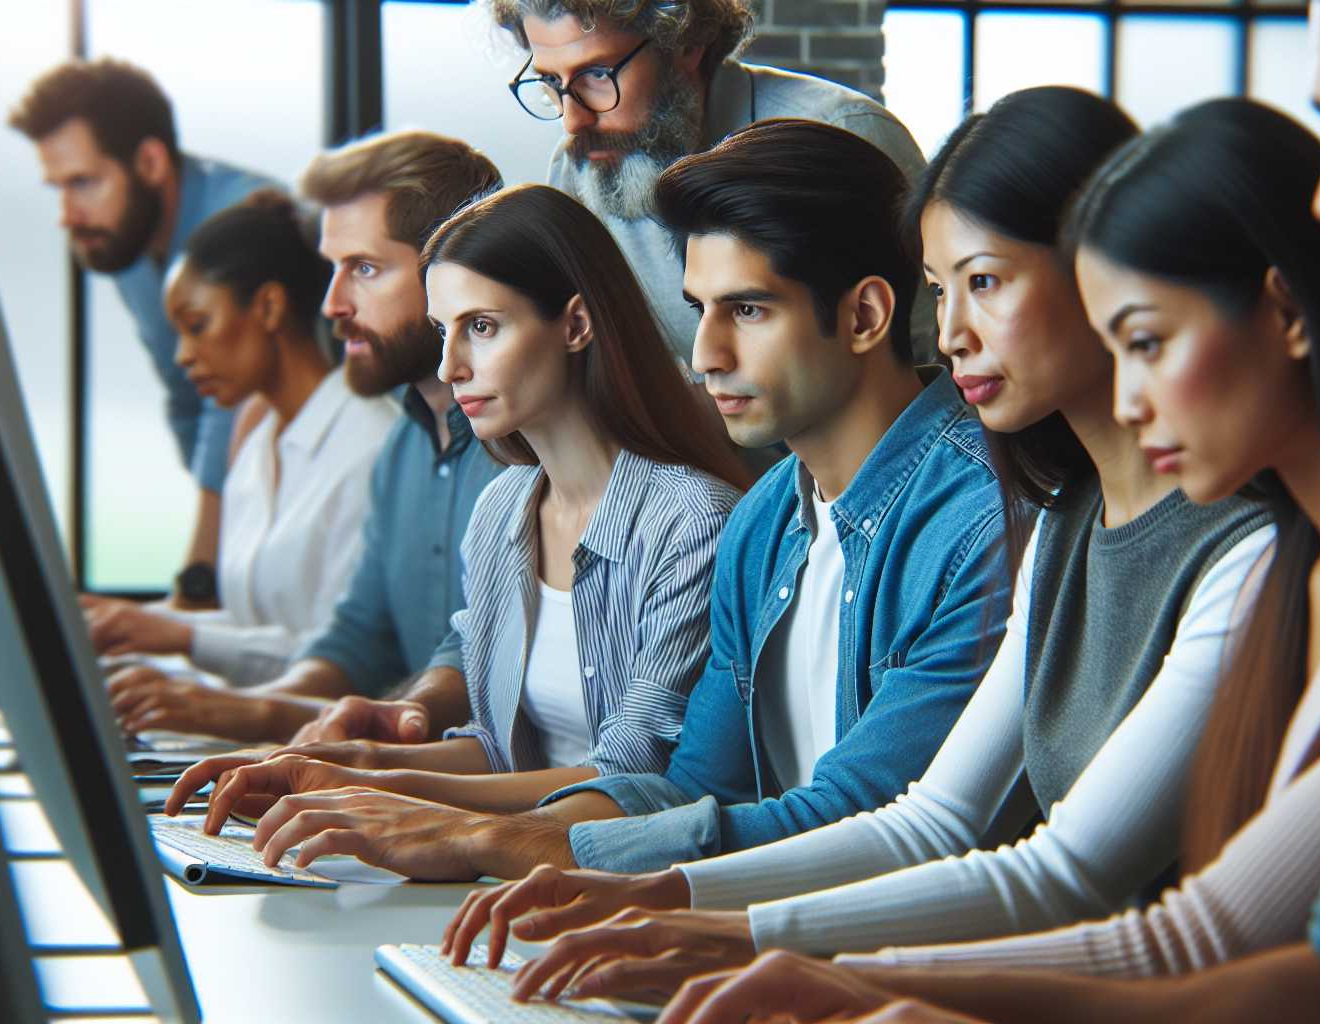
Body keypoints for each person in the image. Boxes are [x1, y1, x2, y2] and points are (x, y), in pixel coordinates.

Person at [655, 0, 1320, 1019]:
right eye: (942, 289)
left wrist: (763, 941)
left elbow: (1129, 901)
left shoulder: (1300, 545)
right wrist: (752, 943)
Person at [447, 88, 1291, 1001]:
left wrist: (741, 934)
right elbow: (822, 806)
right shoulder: (1031, 520)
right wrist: (654, 891)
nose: (704, 356)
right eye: (943, 288)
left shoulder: (1016, 514)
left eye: (987, 281)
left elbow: (1045, 872)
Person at [181, 119, 1009, 883]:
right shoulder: (765, 525)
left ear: (864, 315)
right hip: (756, 936)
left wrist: (489, 840)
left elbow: (860, 816)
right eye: (699, 312)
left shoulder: (977, 515)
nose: (708, 354)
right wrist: (391, 797)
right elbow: (687, 791)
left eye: (748, 311)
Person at [154, 183, 747, 825]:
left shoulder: (692, 522)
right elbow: (497, 751)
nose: (449, 367)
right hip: (496, 872)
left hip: (611, 891)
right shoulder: (501, 511)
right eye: (444, 332)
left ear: (576, 324)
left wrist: (386, 794)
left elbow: (633, 776)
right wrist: (344, 764)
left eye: (482, 328)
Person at [103, 131, 508, 742]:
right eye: (334, 269)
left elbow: (475, 694)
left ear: (452, 276)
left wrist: (246, 711)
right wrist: (236, 707)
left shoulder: (521, 454)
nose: (331, 305)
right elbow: (356, 641)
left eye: (364, 269)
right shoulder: (404, 448)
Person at [76, 191, 400, 689]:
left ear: (269, 307)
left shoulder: (371, 446)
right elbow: (251, 633)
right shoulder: (255, 450)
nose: (183, 357)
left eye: (197, 325)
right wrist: (132, 628)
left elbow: (343, 657)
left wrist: (176, 636)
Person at [489, 0, 932, 363]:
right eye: (550, 81)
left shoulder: (845, 134)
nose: (572, 120)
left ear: (686, 44)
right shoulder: (577, 171)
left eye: (597, 75)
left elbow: (922, 364)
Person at [11, 59, 276, 586]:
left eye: (84, 183)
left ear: (151, 161)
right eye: (57, 188)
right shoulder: (127, 241)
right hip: (256, 509)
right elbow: (185, 395)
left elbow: (232, 403)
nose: (67, 214)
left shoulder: (242, 223)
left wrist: (200, 576)